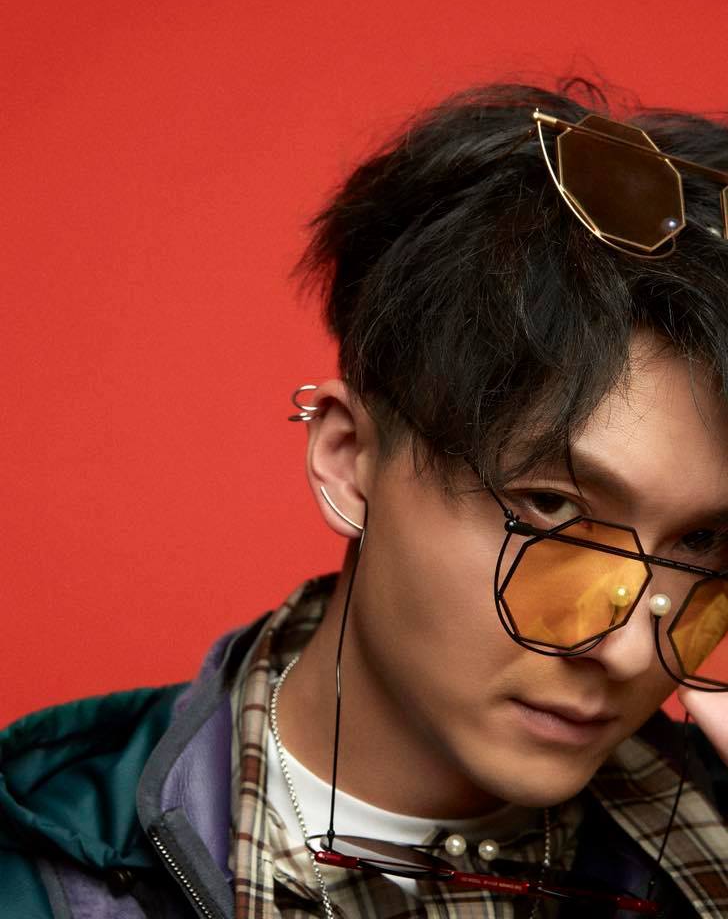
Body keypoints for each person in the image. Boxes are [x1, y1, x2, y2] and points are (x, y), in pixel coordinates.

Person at [2, 77, 728, 919]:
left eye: (702, 541)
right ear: (349, 460)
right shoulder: (45, 880)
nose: (632, 651)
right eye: (553, 512)